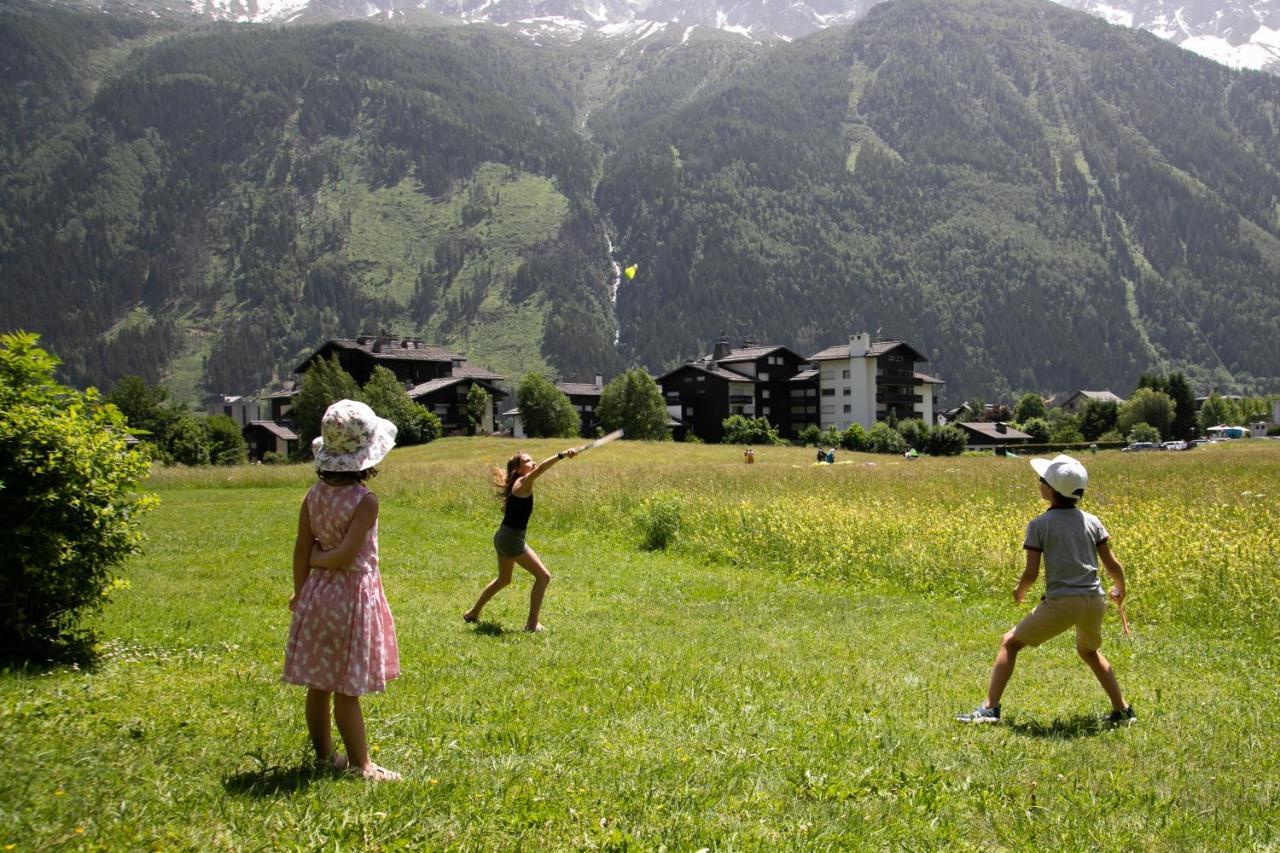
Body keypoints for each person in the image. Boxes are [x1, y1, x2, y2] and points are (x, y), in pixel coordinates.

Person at [957, 454, 1134, 725]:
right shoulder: (1093, 521)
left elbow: (1031, 573)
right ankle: (1122, 712)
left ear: (1049, 489)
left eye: (1042, 480)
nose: (1038, 483)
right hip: (1095, 600)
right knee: (1089, 652)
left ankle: (989, 709)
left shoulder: (1039, 525)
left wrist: (1019, 591)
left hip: (1063, 602)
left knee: (1010, 642)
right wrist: (1120, 589)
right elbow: (1112, 564)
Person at [282, 400, 402, 781]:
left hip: (317, 596)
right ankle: (361, 764)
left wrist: (301, 592)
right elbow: (348, 554)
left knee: (319, 686)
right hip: (350, 597)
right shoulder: (366, 501)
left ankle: (323, 756)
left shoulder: (313, 496)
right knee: (346, 689)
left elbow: (302, 548)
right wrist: (322, 559)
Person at [464, 445, 579, 632]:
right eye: (527, 461)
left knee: (503, 580)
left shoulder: (517, 483)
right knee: (543, 577)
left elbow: (537, 467)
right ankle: (532, 624)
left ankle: (473, 613)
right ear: (518, 469)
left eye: (531, 460)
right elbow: (541, 468)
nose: (532, 463)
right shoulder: (524, 481)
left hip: (503, 537)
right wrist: (562, 455)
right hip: (510, 540)